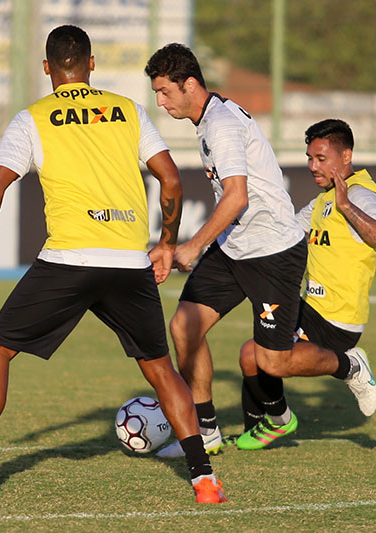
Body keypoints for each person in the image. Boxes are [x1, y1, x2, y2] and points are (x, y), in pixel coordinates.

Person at [0, 25, 225, 504]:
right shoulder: (128, 110)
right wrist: (165, 243)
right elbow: (171, 181)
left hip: (68, 260)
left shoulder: (32, 118)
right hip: (128, 261)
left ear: (46, 69)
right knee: (162, 370)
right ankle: (204, 480)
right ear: (92, 65)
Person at [144, 43, 308, 458]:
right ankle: (205, 430)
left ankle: (348, 366)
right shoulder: (209, 118)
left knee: (273, 362)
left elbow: (236, 196)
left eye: (165, 92)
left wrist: (193, 247)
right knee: (185, 327)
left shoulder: (219, 125)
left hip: (272, 252)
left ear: (191, 84)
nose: (160, 102)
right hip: (234, 246)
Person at [235, 119, 376, 449]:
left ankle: (350, 365)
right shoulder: (323, 201)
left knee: (270, 359)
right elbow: (288, 234)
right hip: (308, 308)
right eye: (309, 158)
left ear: (346, 156)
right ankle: (269, 423)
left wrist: (347, 205)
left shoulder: (361, 195)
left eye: (321, 158)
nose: (312, 166)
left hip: (338, 318)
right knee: (251, 354)